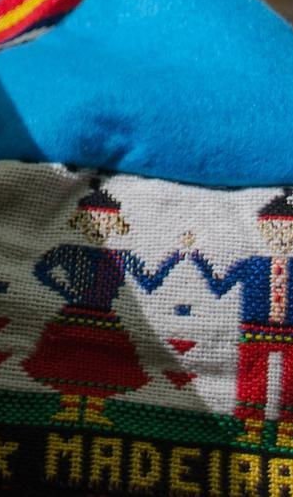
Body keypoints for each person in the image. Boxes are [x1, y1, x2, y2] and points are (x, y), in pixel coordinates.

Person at [190, 188, 293, 450]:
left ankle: (288, 432)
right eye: (274, 228)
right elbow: (219, 287)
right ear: (264, 230)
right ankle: (251, 429)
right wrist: (196, 259)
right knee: (253, 379)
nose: (280, 234)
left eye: (287, 228)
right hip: (256, 330)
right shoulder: (252, 265)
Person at [23, 180, 186, 428]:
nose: (99, 224)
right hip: (74, 314)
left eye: (105, 219)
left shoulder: (122, 257)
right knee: (69, 362)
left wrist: (177, 257)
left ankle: (95, 409)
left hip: (104, 317)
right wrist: (64, 289)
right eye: (93, 218)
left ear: (116, 223)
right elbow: (41, 269)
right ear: (80, 219)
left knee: (102, 365)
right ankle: (68, 406)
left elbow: (149, 281)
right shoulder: (70, 250)